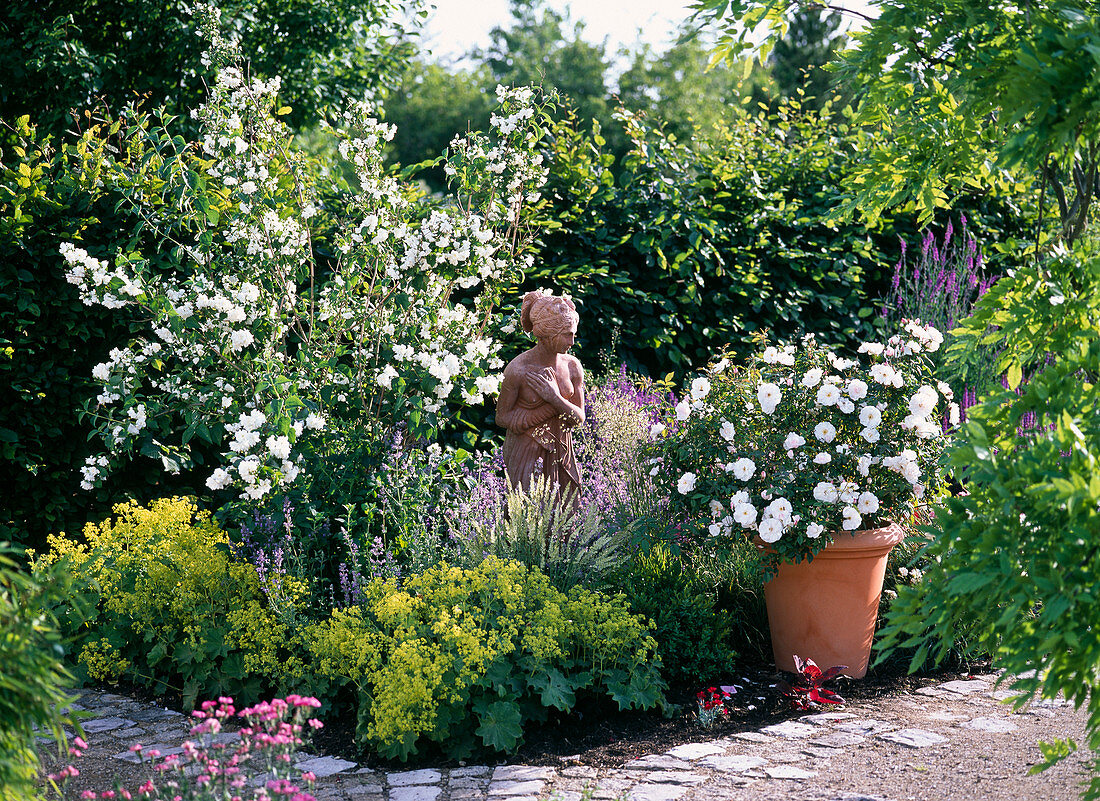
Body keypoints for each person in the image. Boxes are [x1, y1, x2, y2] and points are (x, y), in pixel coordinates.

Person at [495, 290, 586, 498]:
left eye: (573, 334)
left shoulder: (573, 367)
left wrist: (553, 397)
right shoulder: (518, 369)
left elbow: (579, 418)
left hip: (562, 449)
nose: (572, 342)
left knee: (565, 519)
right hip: (527, 451)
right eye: (567, 334)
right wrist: (541, 412)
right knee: (526, 517)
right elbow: (501, 417)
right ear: (549, 333)